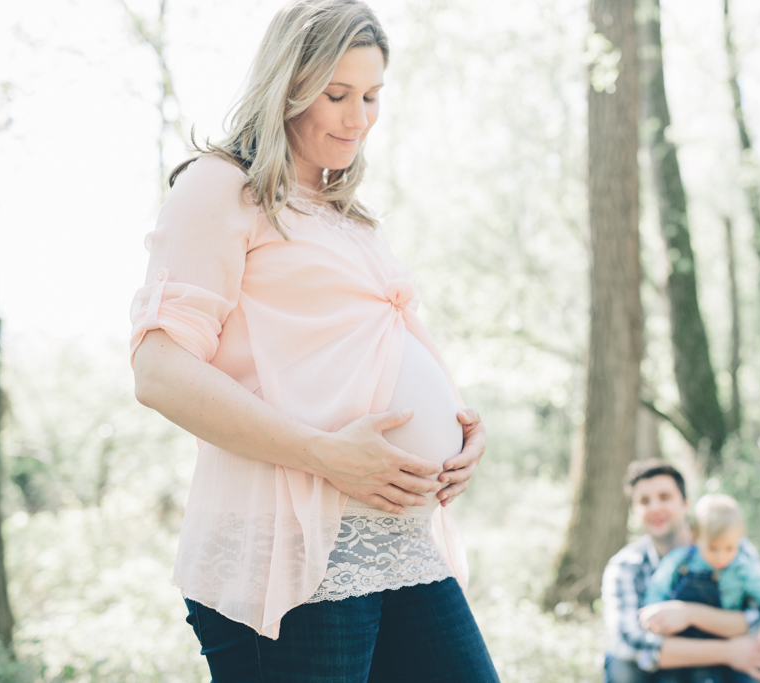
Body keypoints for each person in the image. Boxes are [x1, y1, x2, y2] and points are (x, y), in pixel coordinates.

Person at [129, 2, 500, 680]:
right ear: (287, 87)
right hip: (288, 548)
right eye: (337, 95)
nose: (359, 117)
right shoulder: (221, 187)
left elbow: (352, 356)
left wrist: (458, 431)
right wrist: (325, 453)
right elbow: (158, 369)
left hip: (396, 538)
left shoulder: (345, 213)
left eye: (371, 96)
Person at [601, 460, 760, 683]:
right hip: (669, 664)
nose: (655, 507)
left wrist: (689, 614)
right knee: (619, 664)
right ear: (635, 510)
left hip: (730, 663)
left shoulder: (735, 548)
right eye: (644, 501)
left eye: (664, 497)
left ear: (685, 503)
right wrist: (728, 650)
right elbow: (628, 640)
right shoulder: (625, 566)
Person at [643, 494, 760, 683]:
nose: (721, 557)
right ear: (696, 537)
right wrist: (656, 619)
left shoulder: (742, 568)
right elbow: (656, 590)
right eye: (713, 548)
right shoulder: (680, 562)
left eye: (729, 548)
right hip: (684, 647)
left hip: (729, 642)